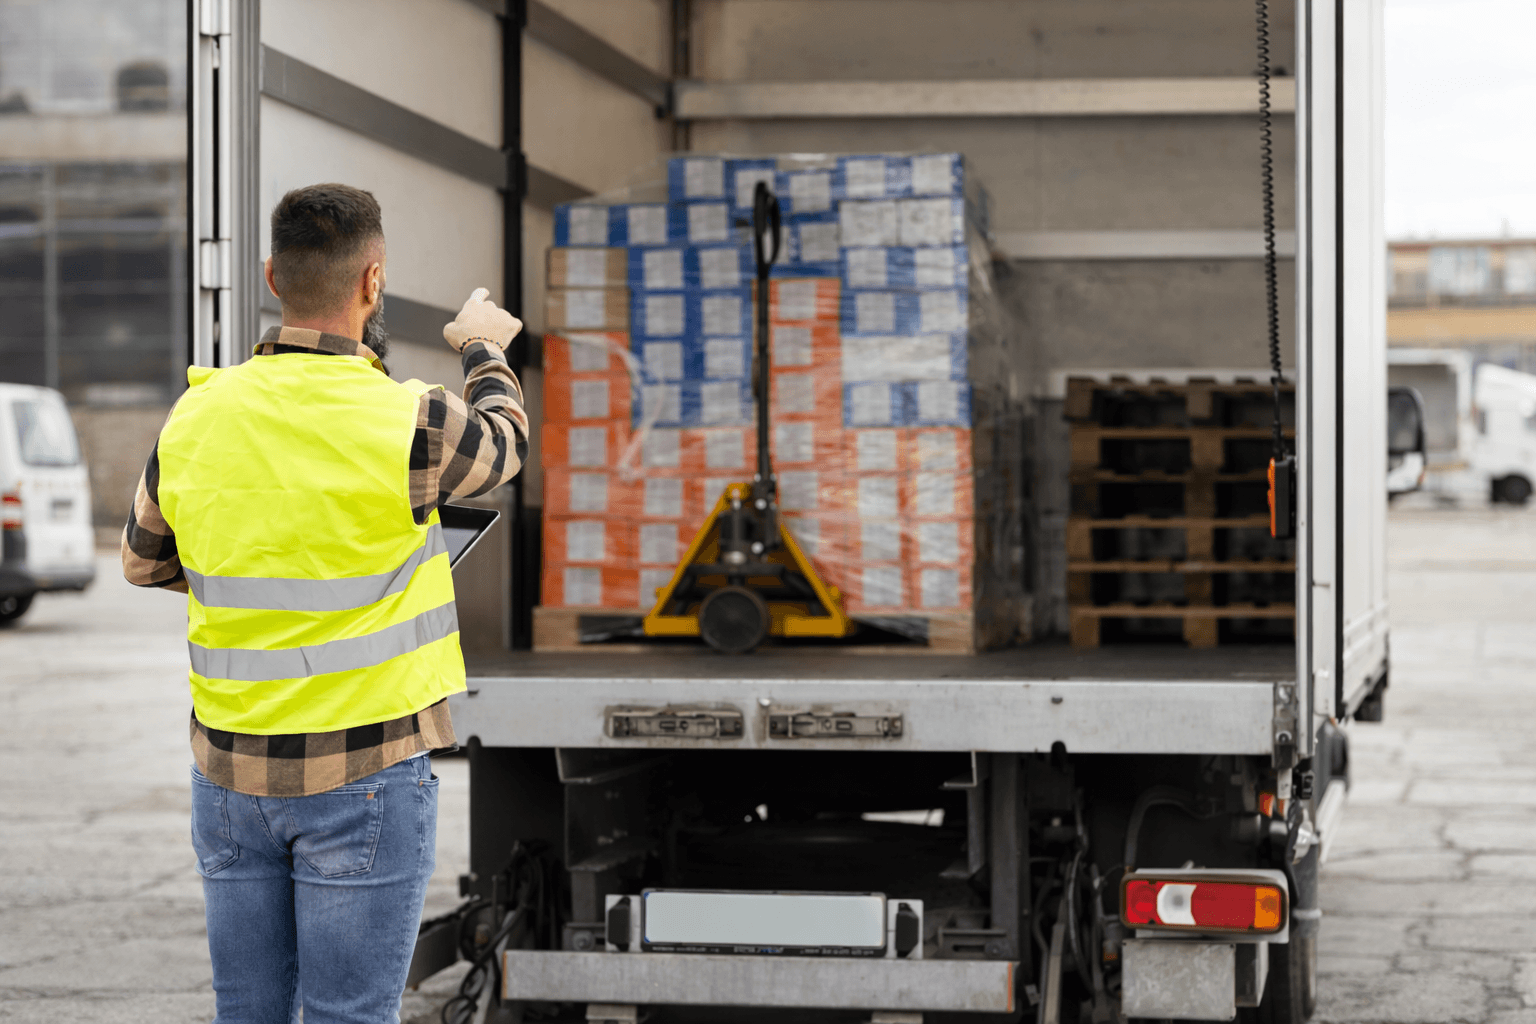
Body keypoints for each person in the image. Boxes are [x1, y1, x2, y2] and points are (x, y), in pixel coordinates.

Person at [122, 182, 529, 1024]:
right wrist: (484, 348)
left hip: (230, 772)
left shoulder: (197, 415)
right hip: (365, 773)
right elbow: (504, 446)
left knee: (252, 1014)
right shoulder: (408, 421)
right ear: (372, 283)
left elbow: (145, 561)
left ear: (273, 275)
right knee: (347, 1016)